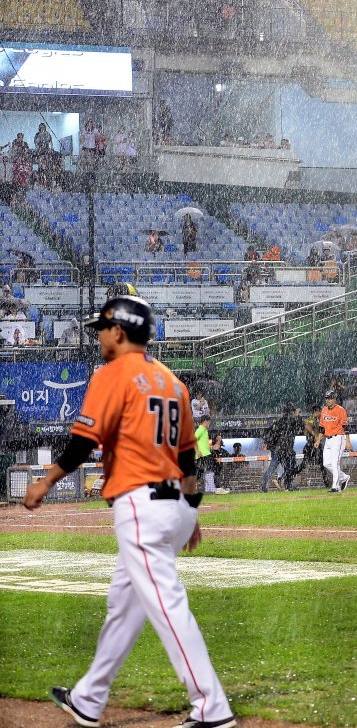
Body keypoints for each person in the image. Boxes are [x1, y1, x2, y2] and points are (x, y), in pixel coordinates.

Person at [21, 295, 237, 728]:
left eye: (102, 329)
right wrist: (191, 511)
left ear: (119, 331)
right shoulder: (172, 382)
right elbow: (187, 459)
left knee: (168, 606)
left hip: (142, 506)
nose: (99, 337)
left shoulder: (113, 374)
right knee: (124, 606)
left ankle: (212, 709)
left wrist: (46, 481)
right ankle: (88, 699)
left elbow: (83, 443)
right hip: (173, 504)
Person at [260, 404, 302, 491]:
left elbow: (271, 432)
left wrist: (266, 442)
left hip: (278, 449)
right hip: (285, 449)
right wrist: (297, 415)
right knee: (289, 468)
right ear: (291, 411)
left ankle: (264, 485)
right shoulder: (291, 419)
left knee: (272, 468)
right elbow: (299, 425)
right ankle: (285, 482)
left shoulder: (279, 420)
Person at [318, 391, 351, 492]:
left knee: (334, 462)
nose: (328, 400)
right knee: (326, 463)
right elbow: (322, 428)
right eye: (327, 398)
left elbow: (346, 427)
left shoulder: (341, 410)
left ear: (334, 399)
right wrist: (318, 440)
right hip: (327, 439)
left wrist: (348, 441)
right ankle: (344, 477)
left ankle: (335, 486)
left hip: (338, 438)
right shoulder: (324, 410)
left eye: (330, 398)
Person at [195, 415, 219, 494]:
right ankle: (213, 489)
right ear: (205, 421)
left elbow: (204, 444)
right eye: (209, 422)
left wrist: (212, 447)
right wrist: (197, 451)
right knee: (212, 468)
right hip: (204, 455)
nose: (210, 424)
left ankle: (210, 489)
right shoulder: (201, 429)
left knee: (204, 471)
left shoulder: (204, 430)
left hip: (205, 454)